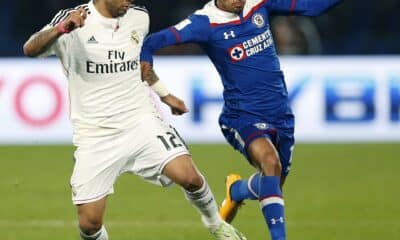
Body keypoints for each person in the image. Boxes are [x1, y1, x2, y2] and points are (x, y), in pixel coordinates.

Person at [23, 1, 247, 240]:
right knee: (89, 223)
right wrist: (61, 30)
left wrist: (165, 94)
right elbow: (30, 49)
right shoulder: (73, 19)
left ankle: (217, 225)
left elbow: (138, 64)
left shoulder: (139, 17)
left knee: (190, 178)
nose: (128, 2)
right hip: (96, 134)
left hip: (140, 121)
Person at [140, 0, 342, 239]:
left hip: (281, 113)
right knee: (270, 162)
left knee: (272, 182)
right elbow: (153, 41)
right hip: (242, 115)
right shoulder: (204, 22)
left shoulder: (259, 4)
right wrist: (148, 63)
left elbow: (312, 7)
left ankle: (237, 190)